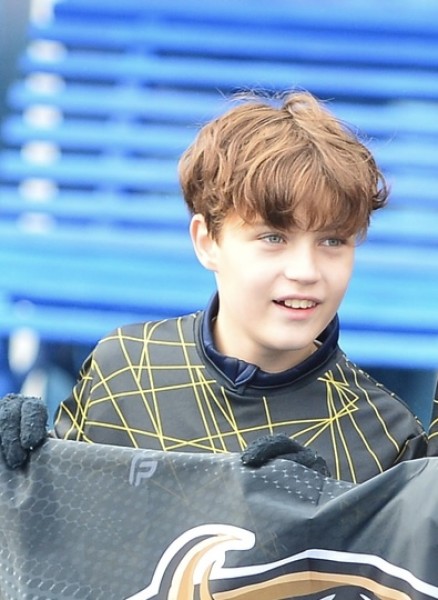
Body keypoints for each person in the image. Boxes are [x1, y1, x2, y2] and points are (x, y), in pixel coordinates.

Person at [0, 90, 429, 482]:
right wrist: (14, 477)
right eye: (273, 237)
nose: (305, 271)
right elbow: (53, 528)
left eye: (333, 241)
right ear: (207, 242)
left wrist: (325, 518)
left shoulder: (385, 436)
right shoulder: (125, 370)